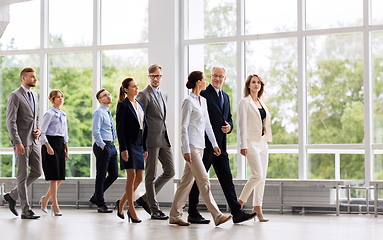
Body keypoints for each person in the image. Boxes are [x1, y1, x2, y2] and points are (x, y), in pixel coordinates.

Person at [187, 66, 257, 224]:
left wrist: (229, 127)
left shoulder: (226, 96)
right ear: (211, 77)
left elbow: (229, 117)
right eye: (214, 76)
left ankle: (236, 212)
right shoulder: (203, 93)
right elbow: (200, 120)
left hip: (221, 146)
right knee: (199, 179)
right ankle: (192, 212)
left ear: (225, 78)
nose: (217, 79)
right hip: (205, 146)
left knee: (227, 179)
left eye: (221, 76)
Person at [169, 71, 231, 227]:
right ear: (198, 82)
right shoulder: (188, 102)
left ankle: (175, 215)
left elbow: (208, 125)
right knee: (204, 180)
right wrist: (185, 150)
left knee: (186, 183)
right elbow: (183, 128)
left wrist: (215, 144)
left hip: (201, 146)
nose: (206, 82)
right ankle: (217, 216)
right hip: (191, 147)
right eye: (204, 80)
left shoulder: (202, 100)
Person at [135, 64, 175, 220]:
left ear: (162, 77)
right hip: (150, 140)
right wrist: (141, 143)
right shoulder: (143, 95)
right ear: (148, 77)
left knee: (170, 171)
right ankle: (154, 208)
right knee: (150, 175)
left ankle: (144, 199)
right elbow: (139, 120)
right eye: (152, 76)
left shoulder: (164, 95)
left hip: (164, 138)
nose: (155, 79)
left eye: (158, 76)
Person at [4, 67, 42, 219]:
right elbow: (10, 121)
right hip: (21, 142)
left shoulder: (34, 95)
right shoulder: (15, 96)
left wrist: (38, 130)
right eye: (32, 77)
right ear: (23, 78)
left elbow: (36, 117)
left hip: (33, 141)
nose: (35, 79)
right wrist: (17, 142)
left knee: (38, 171)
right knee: (22, 174)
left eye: (35, 76)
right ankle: (26, 209)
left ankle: (12, 196)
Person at [237, 74, 272, 222]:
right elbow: (242, 125)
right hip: (251, 143)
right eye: (253, 82)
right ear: (248, 85)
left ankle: (257, 207)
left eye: (258, 82)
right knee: (257, 175)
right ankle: (239, 203)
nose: (256, 84)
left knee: (262, 178)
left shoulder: (261, 102)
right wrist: (243, 145)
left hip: (263, 143)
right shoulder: (245, 102)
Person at [116, 78, 148, 223]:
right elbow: (120, 128)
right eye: (133, 86)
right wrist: (123, 148)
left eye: (137, 86)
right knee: (131, 177)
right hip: (128, 145)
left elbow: (144, 127)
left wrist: (145, 147)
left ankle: (121, 203)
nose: (137, 88)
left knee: (140, 178)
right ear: (126, 89)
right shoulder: (123, 105)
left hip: (139, 144)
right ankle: (132, 209)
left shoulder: (139, 105)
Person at [39, 90, 69, 216]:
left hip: (60, 145)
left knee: (60, 177)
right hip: (50, 145)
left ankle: (45, 200)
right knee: (54, 176)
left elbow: (65, 133)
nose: (60, 98)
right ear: (52, 100)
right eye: (57, 97)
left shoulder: (63, 114)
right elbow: (42, 132)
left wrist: (66, 149)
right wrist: (48, 147)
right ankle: (55, 205)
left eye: (62, 96)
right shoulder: (49, 114)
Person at [89, 89, 119, 213]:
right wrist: (102, 146)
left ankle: (96, 197)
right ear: (100, 100)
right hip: (103, 147)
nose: (108, 96)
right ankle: (100, 203)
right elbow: (95, 131)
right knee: (101, 175)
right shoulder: (98, 112)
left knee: (114, 174)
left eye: (109, 94)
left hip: (112, 146)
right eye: (104, 95)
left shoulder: (108, 112)